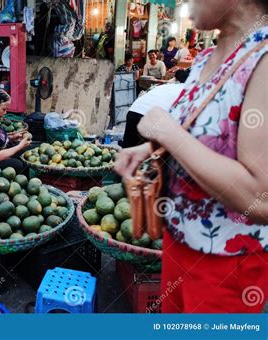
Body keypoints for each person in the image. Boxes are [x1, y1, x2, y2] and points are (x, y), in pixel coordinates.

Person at [115, 0, 268, 313]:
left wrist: (168, 133)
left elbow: (261, 198)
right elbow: (195, 133)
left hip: (225, 265)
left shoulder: (263, 60)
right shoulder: (205, 60)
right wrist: (147, 148)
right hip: (176, 245)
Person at [121, 69, 189, 148]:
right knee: (153, 153)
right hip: (152, 119)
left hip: (133, 112)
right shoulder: (188, 91)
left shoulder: (167, 86)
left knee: (128, 150)